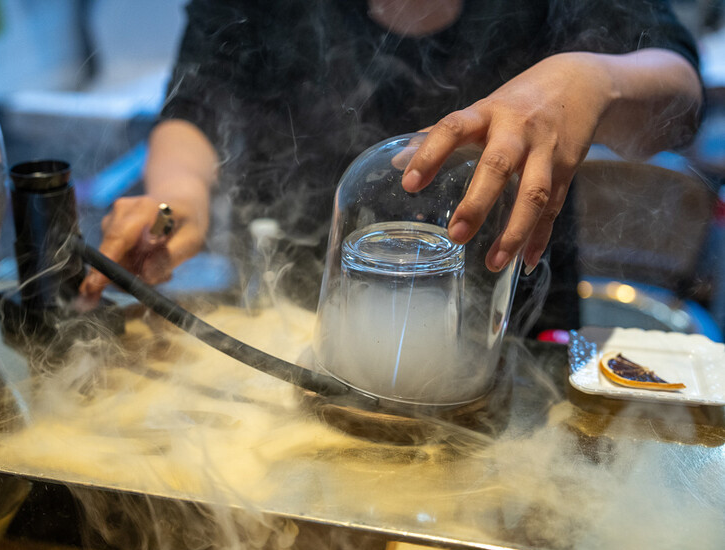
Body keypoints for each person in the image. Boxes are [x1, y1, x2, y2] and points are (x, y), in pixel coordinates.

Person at [80, 0, 703, 335]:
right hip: (293, 321)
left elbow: (680, 103)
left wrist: (599, 79)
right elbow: (197, 101)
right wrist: (176, 196)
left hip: (511, 332)